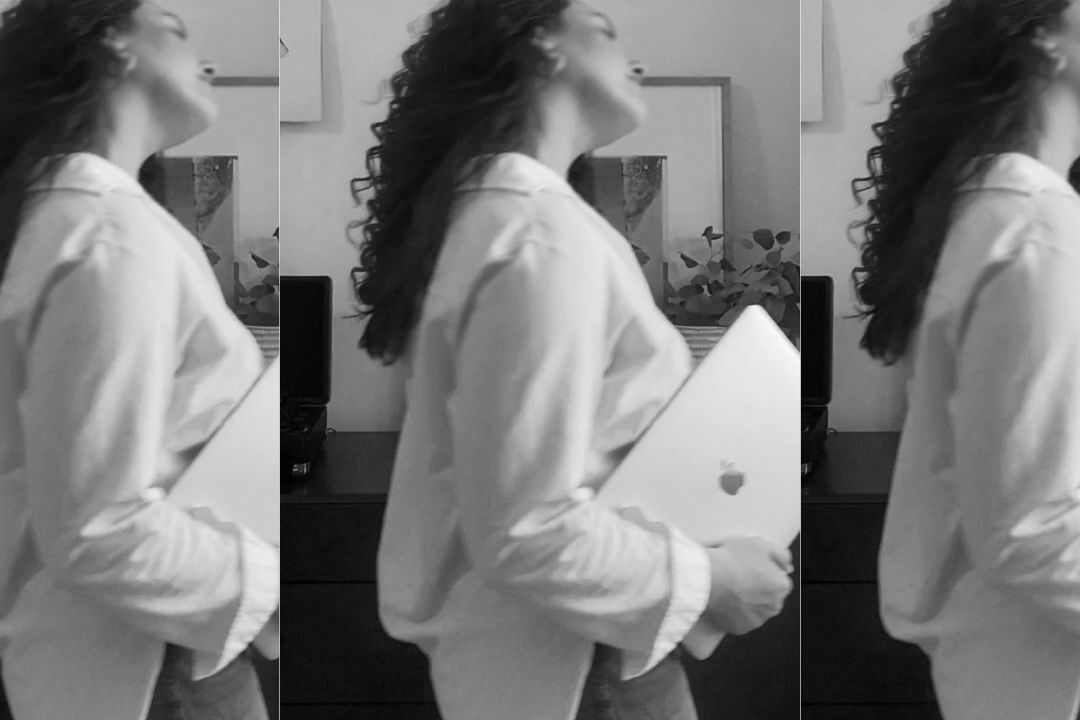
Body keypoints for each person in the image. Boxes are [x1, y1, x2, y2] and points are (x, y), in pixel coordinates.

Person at [351, 1, 794, 719]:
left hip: (567, 657)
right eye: (606, 29)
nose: (637, 60)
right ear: (540, 40)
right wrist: (710, 581)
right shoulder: (537, 234)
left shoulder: (509, 220)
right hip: (581, 670)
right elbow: (527, 530)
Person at [0, 2, 279, 719]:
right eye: (177, 29)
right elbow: (98, 528)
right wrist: (268, 584)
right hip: (154, 664)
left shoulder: (81, 219)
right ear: (111, 40)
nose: (209, 60)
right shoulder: (106, 231)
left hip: (143, 649)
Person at [851, 1, 1080, 718]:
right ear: (1043, 35)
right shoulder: (1033, 224)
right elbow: (1030, 531)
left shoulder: (997, 206)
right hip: (1042, 663)